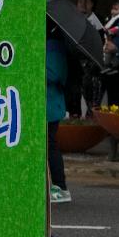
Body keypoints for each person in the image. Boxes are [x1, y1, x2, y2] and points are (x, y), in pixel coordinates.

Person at [46, 24, 70, 203]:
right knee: (48, 146)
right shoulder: (52, 44)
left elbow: (54, 74)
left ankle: (60, 187)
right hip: (49, 104)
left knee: (50, 146)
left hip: (50, 105)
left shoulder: (54, 46)